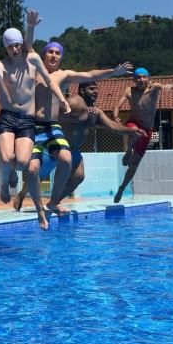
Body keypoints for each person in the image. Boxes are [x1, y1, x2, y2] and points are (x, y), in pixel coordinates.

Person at [0, 10, 69, 230]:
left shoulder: (32, 59)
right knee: (6, 155)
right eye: (10, 46)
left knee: (21, 162)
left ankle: (12, 172)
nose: (14, 49)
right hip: (8, 117)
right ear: (5, 47)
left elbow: (50, 81)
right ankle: (3, 183)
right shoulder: (2, 65)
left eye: (17, 45)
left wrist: (63, 100)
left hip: (27, 120)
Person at [26, 36, 133, 214]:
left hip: (52, 126)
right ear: (43, 55)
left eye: (57, 53)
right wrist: (30, 27)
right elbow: (28, 48)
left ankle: (53, 201)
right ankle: (12, 185)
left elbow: (90, 75)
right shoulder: (35, 71)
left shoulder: (64, 75)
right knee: (31, 168)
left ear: (61, 57)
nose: (53, 55)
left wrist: (113, 72)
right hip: (33, 125)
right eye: (50, 52)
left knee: (66, 162)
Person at [113, 67, 173, 202]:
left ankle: (122, 188)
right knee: (135, 132)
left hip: (147, 130)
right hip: (132, 124)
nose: (140, 79)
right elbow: (117, 106)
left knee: (134, 166)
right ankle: (128, 151)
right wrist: (116, 116)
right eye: (137, 77)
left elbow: (164, 85)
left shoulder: (153, 89)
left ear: (148, 78)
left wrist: (167, 86)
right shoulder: (129, 90)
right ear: (134, 80)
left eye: (143, 77)